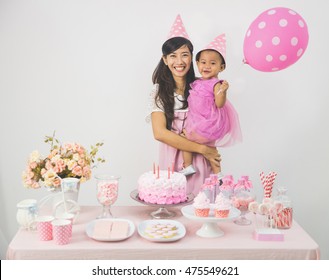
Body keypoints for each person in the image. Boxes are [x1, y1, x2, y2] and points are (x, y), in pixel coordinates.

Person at [147, 15, 221, 195]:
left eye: (185, 55)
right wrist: (202, 148)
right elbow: (160, 133)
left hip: (201, 160)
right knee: (173, 204)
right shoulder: (159, 92)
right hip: (172, 160)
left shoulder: (202, 88)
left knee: (202, 204)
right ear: (165, 60)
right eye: (173, 56)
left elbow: (216, 120)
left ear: (192, 59)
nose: (179, 62)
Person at [180, 34, 242, 177]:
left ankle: (188, 166)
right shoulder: (197, 82)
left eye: (213, 63)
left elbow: (220, 104)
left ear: (222, 67)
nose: (207, 66)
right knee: (210, 148)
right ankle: (218, 175)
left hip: (207, 122)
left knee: (185, 139)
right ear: (197, 64)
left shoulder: (216, 84)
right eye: (203, 62)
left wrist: (223, 92)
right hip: (199, 120)